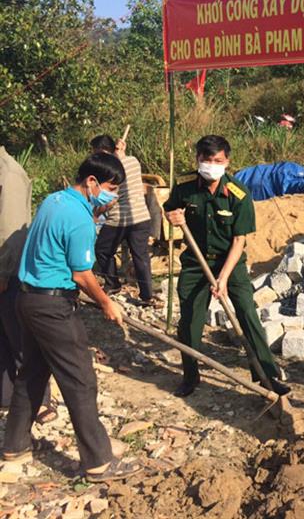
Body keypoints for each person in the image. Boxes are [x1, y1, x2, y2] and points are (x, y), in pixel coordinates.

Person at [3, 153, 141, 482]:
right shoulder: (78, 218)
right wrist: (107, 303)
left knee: (32, 373)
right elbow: (82, 275)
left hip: (27, 299)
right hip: (53, 307)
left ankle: (15, 445)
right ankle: (98, 462)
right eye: (110, 187)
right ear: (91, 182)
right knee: (80, 379)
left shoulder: (54, 200)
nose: (112, 195)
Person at [163, 135, 289, 398]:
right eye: (206, 160)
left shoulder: (239, 194)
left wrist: (223, 278)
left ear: (227, 161)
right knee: (189, 320)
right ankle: (190, 375)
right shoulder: (184, 187)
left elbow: (239, 241)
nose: (211, 165)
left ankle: (266, 376)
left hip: (230, 262)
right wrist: (172, 216)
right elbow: (170, 209)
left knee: (247, 313)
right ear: (197, 159)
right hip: (196, 263)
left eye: (217, 160)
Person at [0, 147, 57, 423]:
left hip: (7, 272)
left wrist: (2, 272)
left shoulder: (8, 173)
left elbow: (10, 230)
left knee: (20, 338)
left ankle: (39, 401)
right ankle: (8, 397)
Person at [90, 134, 157, 306]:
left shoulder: (108, 170)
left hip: (119, 219)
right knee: (141, 257)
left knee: (103, 249)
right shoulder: (133, 161)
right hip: (141, 216)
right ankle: (147, 296)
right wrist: (120, 153)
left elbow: (110, 199)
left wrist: (96, 214)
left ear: (105, 151)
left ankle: (113, 284)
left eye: (97, 153)